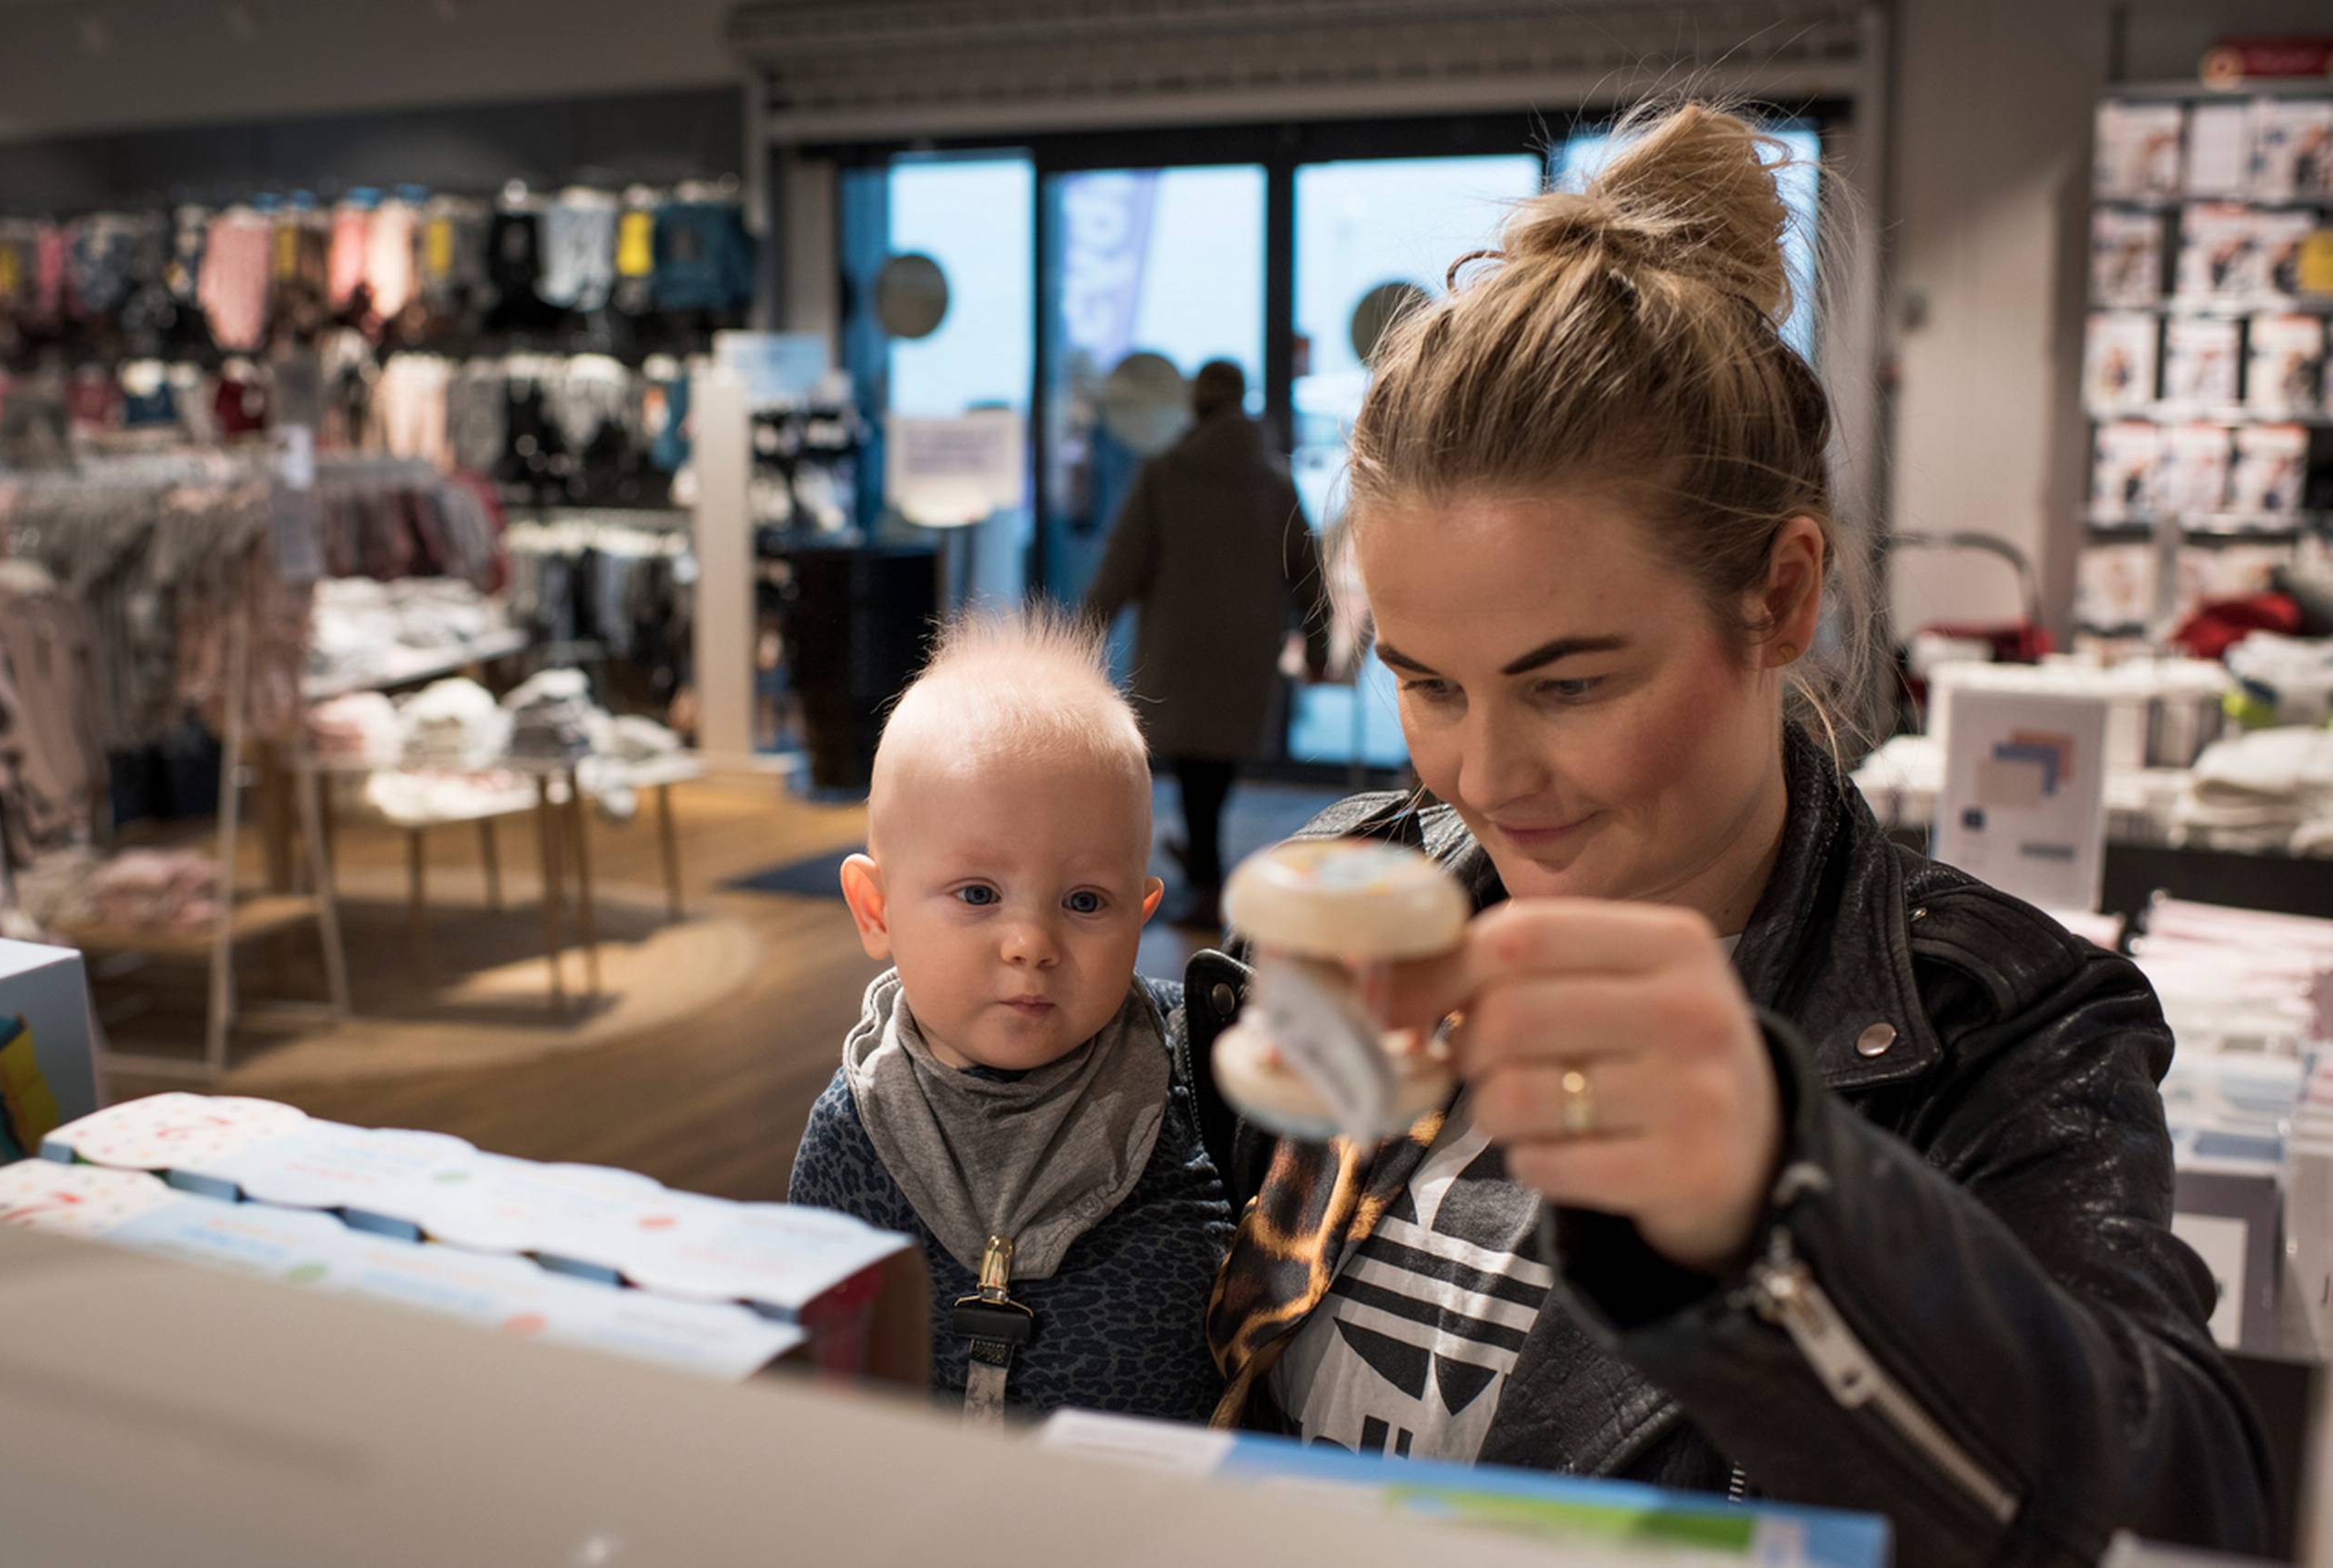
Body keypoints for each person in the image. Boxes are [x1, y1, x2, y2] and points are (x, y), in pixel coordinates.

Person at [1175, 105, 2273, 1564]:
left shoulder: (2000, 1028)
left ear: (1782, 594)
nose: (1485, 774)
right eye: (1426, 681)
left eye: (1571, 682)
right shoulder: (1346, 908)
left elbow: (2178, 1503)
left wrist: (1787, 1204)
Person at [787, 605, 1234, 1423]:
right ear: (875, 908)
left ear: (1142, 916)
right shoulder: (854, 1129)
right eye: (978, 894)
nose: (1031, 941)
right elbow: (815, 1380)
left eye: (1085, 900)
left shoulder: (1201, 1074)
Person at [1086, 358, 1325, 930]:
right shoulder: (1273, 481)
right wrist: (1318, 647)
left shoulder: (1166, 474)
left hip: (1179, 647)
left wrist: (1078, 638)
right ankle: (1206, 866)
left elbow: (1122, 566)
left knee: (1192, 764)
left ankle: (1206, 871)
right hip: (1246, 649)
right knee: (1214, 765)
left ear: (1195, 401)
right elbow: (1309, 575)